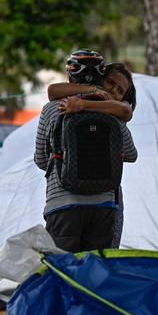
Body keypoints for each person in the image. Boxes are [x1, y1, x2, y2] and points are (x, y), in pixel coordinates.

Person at [34, 54, 137, 252]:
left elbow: (40, 159)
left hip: (62, 204)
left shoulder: (52, 109)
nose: (113, 91)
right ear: (100, 77)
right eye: (110, 83)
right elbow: (131, 154)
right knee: (95, 270)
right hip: (104, 206)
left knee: (62, 268)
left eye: (119, 90)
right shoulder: (112, 113)